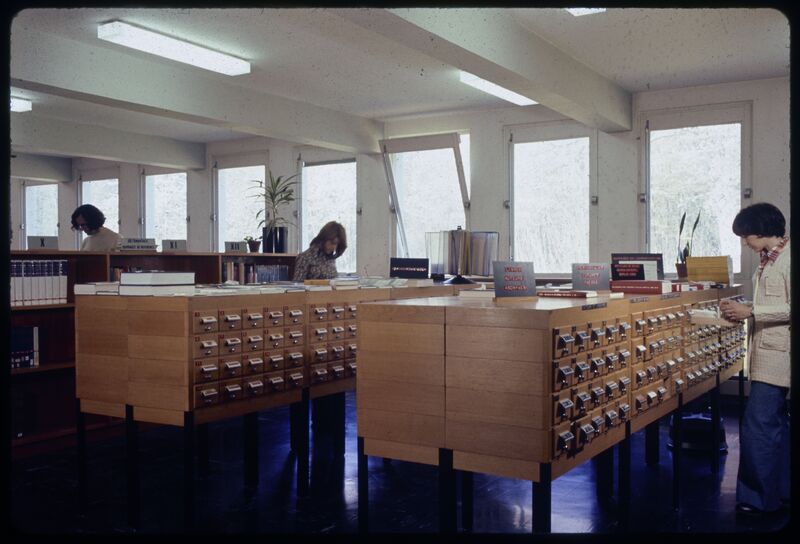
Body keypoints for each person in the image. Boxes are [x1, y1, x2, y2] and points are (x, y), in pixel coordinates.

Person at [718, 202, 790, 516]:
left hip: (779, 355)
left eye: (746, 235)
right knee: (773, 426)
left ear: (762, 230)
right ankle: (780, 494)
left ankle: (757, 500)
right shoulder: (766, 261)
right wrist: (742, 307)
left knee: (758, 426)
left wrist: (752, 311)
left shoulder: (789, 259)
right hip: (766, 353)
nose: (744, 241)